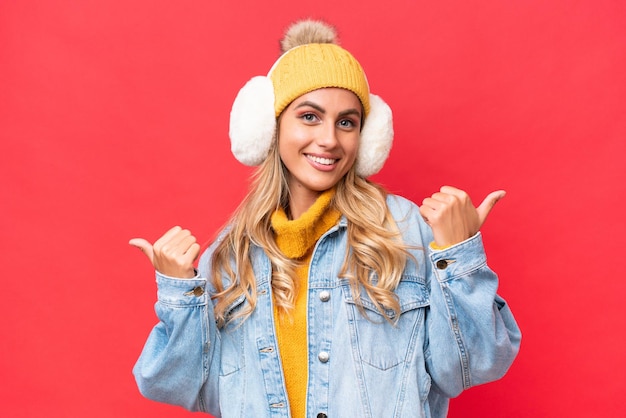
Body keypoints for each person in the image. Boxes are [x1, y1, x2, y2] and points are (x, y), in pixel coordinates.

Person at [130, 19, 521, 418]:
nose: (330, 139)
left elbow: (476, 364)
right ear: (271, 126)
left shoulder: (407, 232)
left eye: (347, 122)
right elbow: (179, 387)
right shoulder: (230, 258)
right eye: (309, 117)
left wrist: (458, 257)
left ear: (366, 139)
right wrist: (180, 294)